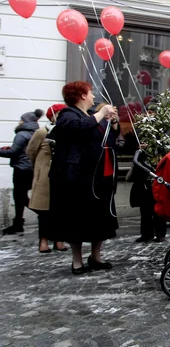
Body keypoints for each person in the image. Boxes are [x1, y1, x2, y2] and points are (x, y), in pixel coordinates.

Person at [49, 82, 120, 275]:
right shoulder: (67, 115)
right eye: (89, 93)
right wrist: (101, 112)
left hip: (101, 177)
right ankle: (77, 261)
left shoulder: (92, 117)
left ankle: (96, 257)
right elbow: (80, 127)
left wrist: (112, 122)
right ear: (81, 96)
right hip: (79, 178)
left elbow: (110, 139)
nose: (92, 96)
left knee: (100, 219)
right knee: (77, 220)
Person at [25, 104, 68, 253]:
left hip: (62, 174)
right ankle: (43, 240)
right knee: (44, 211)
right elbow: (31, 151)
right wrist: (39, 168)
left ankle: (58, 239)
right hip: (45, 177)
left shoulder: (66, 131)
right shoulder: (42, 132)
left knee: (60, 210)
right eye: (59, 113)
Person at [1, 109, 44, 235]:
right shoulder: (36, 133)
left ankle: (42, 215)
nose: (19, 121)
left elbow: (13, 152)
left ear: (25, 121)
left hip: (21, 169)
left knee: (20, 197)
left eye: (21, 119)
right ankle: (18, 222)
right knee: (21, 197)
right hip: (31, 168)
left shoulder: (21, 134)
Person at [131, 150, 167, 242]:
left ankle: (159, 234)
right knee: (145, 210)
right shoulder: (141, 153)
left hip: (155, 180)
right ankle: (147, 234)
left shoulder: (160, 149)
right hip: (144, 181)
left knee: (157, 210)